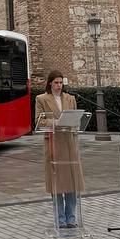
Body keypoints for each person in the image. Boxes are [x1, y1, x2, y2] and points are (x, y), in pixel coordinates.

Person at [35, 70, 84, 228]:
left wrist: (73, 122)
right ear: (50, 83)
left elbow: (77, 120)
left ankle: (71, 218)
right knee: (57, 184)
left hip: (69, 144)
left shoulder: (70, 99)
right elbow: (39, 121)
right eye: (56, 82)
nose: (59, 86)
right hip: (54, 145)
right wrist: (56, 122)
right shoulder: (41, 99)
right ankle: (60, 220)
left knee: (71, 183)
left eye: (61, 83)